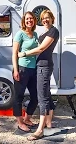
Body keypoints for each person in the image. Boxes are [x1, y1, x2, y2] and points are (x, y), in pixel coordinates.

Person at [18, 9, 59, 140]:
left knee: (42, 98)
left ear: (52, 18)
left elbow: (41, 49)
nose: (45, 20)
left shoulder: (53, 31)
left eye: (47, 17)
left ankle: (40, 130)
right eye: (43, 18)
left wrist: (23, 53)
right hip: (39, 66)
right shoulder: (44, 32)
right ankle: (48, 122)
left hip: (44, 66)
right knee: (46, 94)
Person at [12, 11, 39, 133]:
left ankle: (27, 119)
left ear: (34, 21)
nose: (29, 21)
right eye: (27, 19)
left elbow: (38, 50)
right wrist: (16, 70)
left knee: (35, 96)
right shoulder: (20, 34)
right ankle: (20, 123)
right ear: (24, 21)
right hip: (22, 69)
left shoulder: (35, 34)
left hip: (33, 69)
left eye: (31, 19)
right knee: (19, 96)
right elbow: (14, 54)